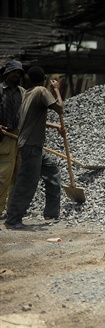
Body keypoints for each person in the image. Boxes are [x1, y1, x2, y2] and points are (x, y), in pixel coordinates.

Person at [3, 66, 64, 229]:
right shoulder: (42, 91)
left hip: (32, 145)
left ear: (28, 79)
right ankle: (13, 219)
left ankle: (51, 212)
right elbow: (60, 108)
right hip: (31, 145)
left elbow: (33, 120)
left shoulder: (28, 94)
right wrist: (57, 90)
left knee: (52, 171)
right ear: (44, 77)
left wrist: (55, 126)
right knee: (27, 182)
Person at [0, 60, 25, 218]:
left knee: (18, 176)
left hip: (20, 136)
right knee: (3, 176)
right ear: (6, 73)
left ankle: (12, 212)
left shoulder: (23, 92)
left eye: (18, 73)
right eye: (13, 72)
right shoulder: (0, 90)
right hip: (5, 136)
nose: (16, 75)